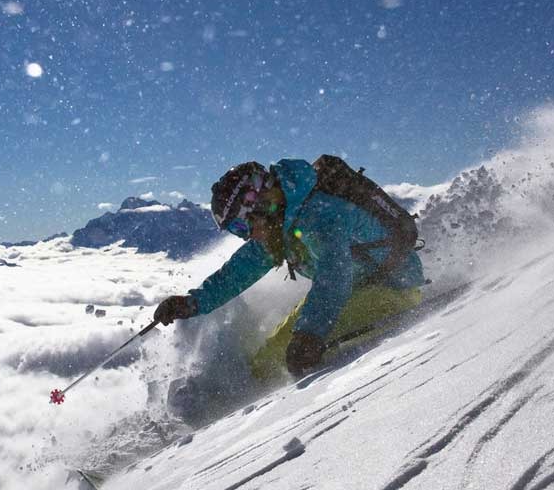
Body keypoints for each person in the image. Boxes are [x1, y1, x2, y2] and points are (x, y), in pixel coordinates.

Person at [154, 158, 425, 379]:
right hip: (350, 292)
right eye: (236, 231)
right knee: (267, 361)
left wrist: (311, 334)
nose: (246, 235)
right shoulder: (279, 222)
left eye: (240, 225)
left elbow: (335, 276)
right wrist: (193, 303)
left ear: (256, 204)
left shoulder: (322, 214)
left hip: (391, 289)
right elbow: (239, 271)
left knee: (297, 360)